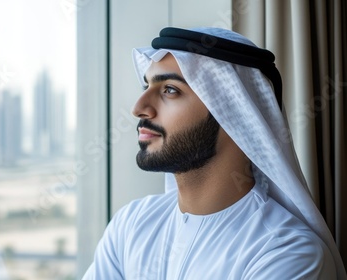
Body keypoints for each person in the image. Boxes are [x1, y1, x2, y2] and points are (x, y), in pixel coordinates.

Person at [82, 27, 346, 279]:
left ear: (235, 115)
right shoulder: (132, 224)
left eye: (170, 90)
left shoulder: (285, 253)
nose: (139, 108)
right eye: (146, 87)